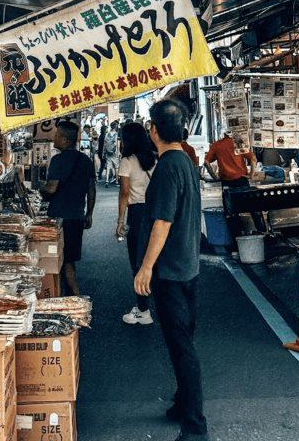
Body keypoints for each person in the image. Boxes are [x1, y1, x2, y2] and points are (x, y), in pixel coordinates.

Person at [135, 99, 207, 441]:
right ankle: (182, 403)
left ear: (154, 130)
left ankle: (195, 426)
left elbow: (162, 222)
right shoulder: (186, 161)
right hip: (187, 264)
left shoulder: (167, 167)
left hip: (171, 270)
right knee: (182, 340)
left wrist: (145, 267)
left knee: (181, 347)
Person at [42, 121, 96, 296]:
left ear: (64, 139)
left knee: (58, 261)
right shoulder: (86, 161)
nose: (54, 138)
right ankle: (71, 297)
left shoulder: (57, 160)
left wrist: (39, 188)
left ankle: (70, 298)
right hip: (77, 217)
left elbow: (51, 188)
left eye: (57, 135)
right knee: (69, 260)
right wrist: (89, 214)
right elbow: (91, 190)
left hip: (58, 219)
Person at [117, 121, 157, 324]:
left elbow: (125, 192)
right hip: (155, 212)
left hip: (137, 214)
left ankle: (143, 310)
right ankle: (161, 306)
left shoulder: (127, 161)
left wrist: (120, 220)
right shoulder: (154, 158)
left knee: (138, 261)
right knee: (155, 258)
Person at [204, 127, 264, 237]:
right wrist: (251, 174)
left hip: (227, 184)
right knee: (252, 208)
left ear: (223, 134)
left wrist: (214, 176)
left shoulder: (217, 145)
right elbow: (253, 158)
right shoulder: (238, 143)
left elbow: (206, 162)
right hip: (242, 181)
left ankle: (236, 240)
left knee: (231, 213)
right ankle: (261, 233)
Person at [103, 120, 120, 185]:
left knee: (108, 166)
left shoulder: (107, 134)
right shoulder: (116, 134)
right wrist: (117, 152)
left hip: (108, 152)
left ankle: (107, 181)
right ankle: (116, 181)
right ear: (116, 127)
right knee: (116, 167)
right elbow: (116, 144)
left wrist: (104, 152)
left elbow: (105, 144)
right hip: (114, 152)